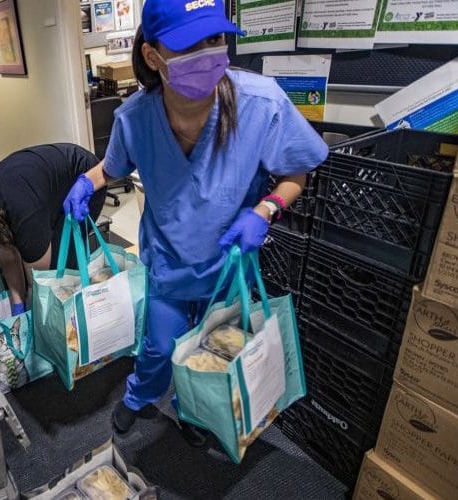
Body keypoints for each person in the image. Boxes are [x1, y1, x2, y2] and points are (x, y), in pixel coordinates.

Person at [63, 0, 328, 445]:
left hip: (226, 263)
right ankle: (140, 395)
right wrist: (85, 184)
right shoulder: (136, 118)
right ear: (153, 56)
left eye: (215, 40)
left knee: (210, 354)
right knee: (161, 347)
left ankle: (192, 411)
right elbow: (112, 167)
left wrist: (266, 210)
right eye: (191, 44)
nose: (209, 54)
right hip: (168, 262)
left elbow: (295, 174)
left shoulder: (261, 104)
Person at [0, 144, 106, 315]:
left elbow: (40, 280)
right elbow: (7, 257)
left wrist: (32, 306)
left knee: (63, 262)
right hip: (39, 185)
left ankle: (77, 315)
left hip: (84, 176)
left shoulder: (26, 219)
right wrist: (18, 303)